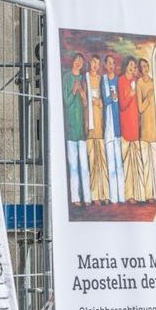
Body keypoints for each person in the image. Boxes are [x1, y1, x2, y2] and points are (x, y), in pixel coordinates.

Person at [63, 53, 90, 205]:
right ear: (73, 61)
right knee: (73, 166)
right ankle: (75, 198)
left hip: (81, 128)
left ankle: (87, 197)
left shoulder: (83, 79)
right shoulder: (67, 78)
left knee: (84, 165)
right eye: (77, 60)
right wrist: (73, 91)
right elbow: (66, 103)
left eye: (81, 60)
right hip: (71, 128)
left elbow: (86, 105)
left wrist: (82, 94)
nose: (79, 62)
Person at [118, 57, 145, 202]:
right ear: (126, 66)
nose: (132, 67)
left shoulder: (135, 82)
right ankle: (130, 195)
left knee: (138, 162)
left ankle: (140, 194)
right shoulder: (122, 80)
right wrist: (130, 95)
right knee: (128, 163)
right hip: (126, 127)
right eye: (130, 65)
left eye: (134, 66)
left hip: (135, 127)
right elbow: (122, 104)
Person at [85, 55, 110, 204]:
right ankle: (95, 196)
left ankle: (105, 194)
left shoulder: (101, 80)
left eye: (97, 63)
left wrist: (100, 102)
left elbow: (105, 100)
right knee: (93, 162)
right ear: (90, 63)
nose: (95, 65)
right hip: (90, 128)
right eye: (93, 62)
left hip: (100, 126)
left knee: (102, 162)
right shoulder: (85, 78)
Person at [101, 54, 126, 204]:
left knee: (119, 164)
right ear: (105, 65)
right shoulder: (104, 81)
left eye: (113, 63)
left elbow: (121, 99)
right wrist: (112, 97)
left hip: (119, 126)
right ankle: (113, 197)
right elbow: (105, 100)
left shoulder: (119, 81)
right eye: (108, 63)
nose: (111, 65)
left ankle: (121, 196)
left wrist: (115, 97)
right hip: (109, 127)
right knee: (111, 163)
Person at [137, 59, 156, 200]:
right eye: (142, 67)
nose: (145, 68)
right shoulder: (140, 84)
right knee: (146, 164)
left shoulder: (155, 82)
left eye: (146, 65)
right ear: (140, 70)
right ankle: (148, 195)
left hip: (155, 130)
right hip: (145, 130)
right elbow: (140, 108)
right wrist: (149, 98)